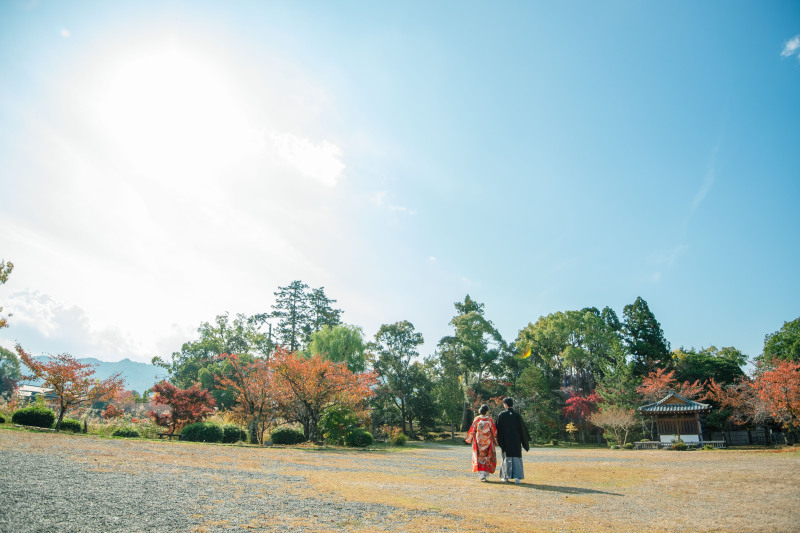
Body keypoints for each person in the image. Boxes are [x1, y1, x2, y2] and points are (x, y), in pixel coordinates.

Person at [495, 397, 530, 484]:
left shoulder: (502, 415)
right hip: (516, 441)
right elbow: (523, 430)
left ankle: (505, 477)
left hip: (506, 441)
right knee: (516, 458)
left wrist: (498, 439)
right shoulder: (517, 415)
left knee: (506, 458)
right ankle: (517, 478)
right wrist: (524, 442)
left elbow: (498, 429)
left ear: (506, 405)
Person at [465, 404, 498, 482]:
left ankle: (481, 474)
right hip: (488, 441)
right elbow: (494, 431)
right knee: (488, 456)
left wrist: (469, 438)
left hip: (479, 441)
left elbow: (472, 429)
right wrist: (496, 440)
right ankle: (485, 474)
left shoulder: (477, 419)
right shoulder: (489, 420)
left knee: (480, 457)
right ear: (487, 411)